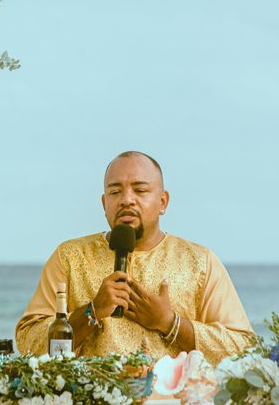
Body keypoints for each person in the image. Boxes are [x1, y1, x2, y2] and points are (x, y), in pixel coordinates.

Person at [15, 151, 254, 364]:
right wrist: (92, 312)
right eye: (115, 191)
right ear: (104, 203)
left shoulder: (199, 262)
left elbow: (242, 348)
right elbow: (28, 342)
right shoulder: (69, 257)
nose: (126, 199)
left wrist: (169, 323)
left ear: (163, 202)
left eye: (140, 190)